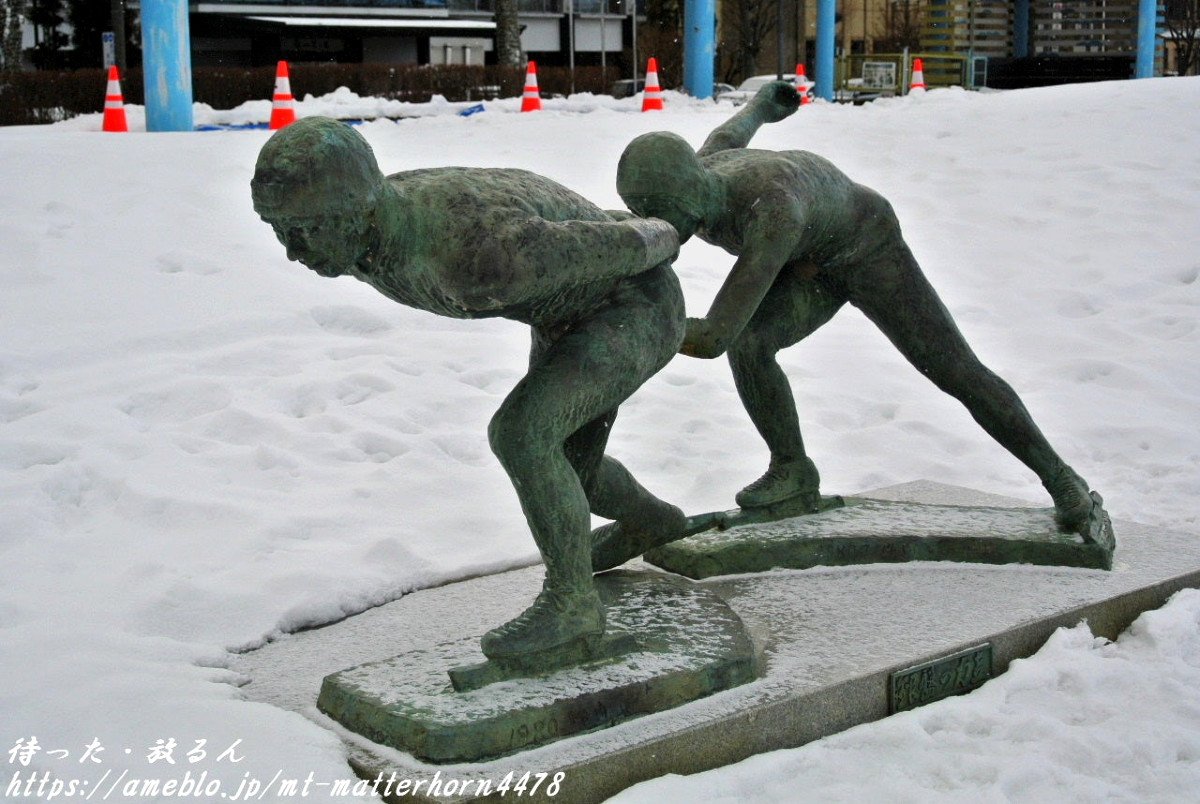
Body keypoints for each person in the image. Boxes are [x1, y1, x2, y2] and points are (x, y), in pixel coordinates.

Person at [251, 117, 688, 662]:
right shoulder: (370, 226)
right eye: (279, 231)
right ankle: (652, 519)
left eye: (305, 230)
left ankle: (573, 607)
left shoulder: (477, 259)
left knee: (524, 435)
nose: (294, 252)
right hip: (569, 313)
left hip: (635, 307)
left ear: (356, 210)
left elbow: (625, 245)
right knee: (571, 469)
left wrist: (665, 228)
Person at [614, 82, 1099, 534]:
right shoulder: (707, 166)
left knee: (953, 368)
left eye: (664, 212)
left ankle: (1061, 478)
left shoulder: (770, 210)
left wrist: (635, 328)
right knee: (754, 342)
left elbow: (714, 335)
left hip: (866, 246)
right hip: (810, 251)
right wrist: (765, 104)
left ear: (691, 190)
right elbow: (732, 130)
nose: (662, 227)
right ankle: (793, 468)